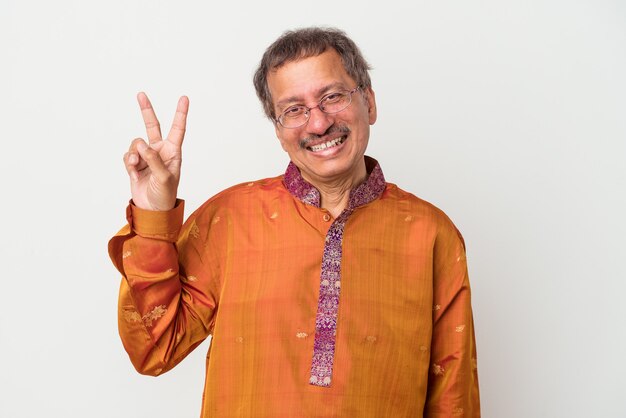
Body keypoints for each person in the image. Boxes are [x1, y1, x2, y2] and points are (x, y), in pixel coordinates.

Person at [109, 27, 480, 417]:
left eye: (332, 97)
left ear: (368, 102)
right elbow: (154, 349)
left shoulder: (430, 233)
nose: (318, 124)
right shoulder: (231, 220)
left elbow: (453, 398)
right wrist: (152, 216)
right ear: (278, 130)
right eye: (294, 109)